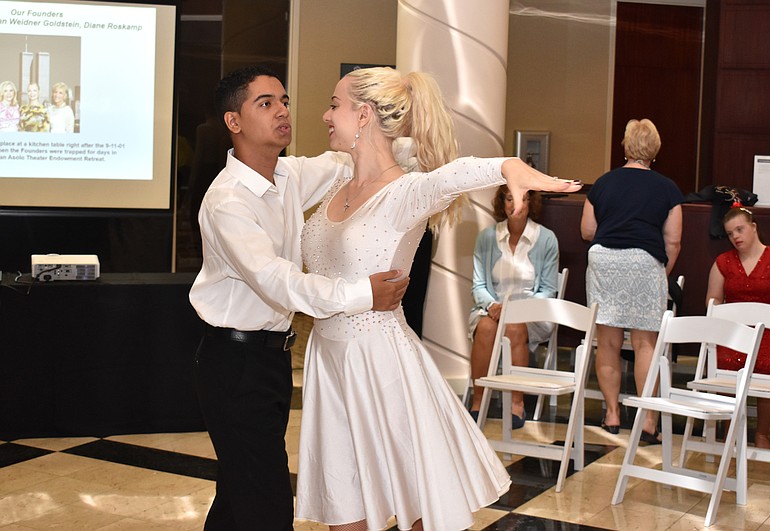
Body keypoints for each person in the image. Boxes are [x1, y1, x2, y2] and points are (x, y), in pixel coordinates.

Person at [295, 66, 581, 531]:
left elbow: (454, 175)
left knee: (417, 505)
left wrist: (508, 166)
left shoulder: (405, 192)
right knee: (343, 505)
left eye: (334, 105)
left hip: (378, 362)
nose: (326, 115)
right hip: (328, 359)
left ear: (363, 115)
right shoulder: (335, 185)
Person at [190, 65, 411, 531]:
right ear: (234, 121)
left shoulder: (288, 175)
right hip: (234, 365)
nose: (283, 111)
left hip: (270, 362)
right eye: (265, 103)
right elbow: (279, 281)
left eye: (284, 101)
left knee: (238, 497)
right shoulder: (227, 200)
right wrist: (362, 293)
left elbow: (349, 161)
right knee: (266, 504)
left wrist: (401, 131)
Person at [580, 118, 683, 444]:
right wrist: (659, 275)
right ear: (655, 150)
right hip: (644, 262)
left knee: (608, 343)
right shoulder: (668, 188)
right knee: (644, 344)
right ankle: (647, 420)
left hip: (604, 262)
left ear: (625, 146)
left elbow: (587, 231)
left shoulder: (603, 183)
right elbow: (673, 241)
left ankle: (612, 415)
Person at [706, 206, 770, 449]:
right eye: (730, 233)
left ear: (753, 227)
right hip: (735, 331)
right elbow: (713, 301)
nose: (735, 236)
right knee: (724, 360)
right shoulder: (722, 262)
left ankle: (762, 431)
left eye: (739, 229)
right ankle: (729, 427)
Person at [467, 185, 559, 429]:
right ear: (502, 203)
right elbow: (478, 285)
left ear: (530, 203)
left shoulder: (546, 239)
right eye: (509, 199)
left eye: (521, 199)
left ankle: (517, 403)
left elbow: (548, 290)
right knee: (485, 328)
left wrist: (519, 312)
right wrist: (492, 305)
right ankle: (478, 400)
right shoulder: (487, 237)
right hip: (493, 310)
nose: (514, 204)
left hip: (532, 314)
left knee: (515, 328)